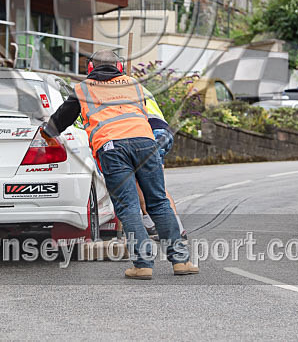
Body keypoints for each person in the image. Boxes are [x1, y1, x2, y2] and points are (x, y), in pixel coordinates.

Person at [42, 50, 199, 280]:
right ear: (120, 67)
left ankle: (143, 264)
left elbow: (60, 121)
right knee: (158, 202)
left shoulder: (83, 89)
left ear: (90, 68)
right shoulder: (134, 85)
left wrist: (46, 134)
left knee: (128, 207)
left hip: (112, 147)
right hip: (146, 144)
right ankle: (181, 261)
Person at [138, 88, 187, 240]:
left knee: (142, 182)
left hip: (150, 133)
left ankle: (154, 225)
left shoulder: (122, 87)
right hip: (163, 132)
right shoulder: (137, 86)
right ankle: (175, 227)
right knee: (157, 185)